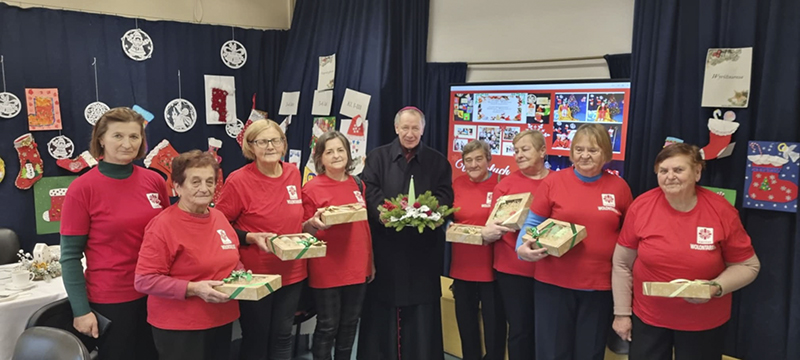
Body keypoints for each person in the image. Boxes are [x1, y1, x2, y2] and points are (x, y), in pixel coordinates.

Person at [611, 143, 760, 360]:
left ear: (697, 172)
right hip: (650, 319)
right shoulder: (641, 207)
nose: (670, 176)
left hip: (703, 322)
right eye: (663, 171)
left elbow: (749, 265)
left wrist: (715, 288)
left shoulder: (721, 211)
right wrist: (622, 314)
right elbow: (622, 264)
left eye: (679, 170)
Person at [516, 123, 633, 360]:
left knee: (589, 353)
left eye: (593, 150)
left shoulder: (619, 187)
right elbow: (532, 222)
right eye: (579, 149)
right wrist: (523, 247)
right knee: (552, 353)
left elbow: (628, 237)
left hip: (599, 287)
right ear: (571, 152)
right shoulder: (554, 182)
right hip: (553, 285)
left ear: (606, 154)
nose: (585, 155)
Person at [60, 107, 167, 360]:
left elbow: (168, 236)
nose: (127, 144)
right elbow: (70, 256)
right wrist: (80, 311)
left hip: (157, 294)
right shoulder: (82, 188)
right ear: (101, 140)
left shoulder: (155, 181)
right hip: (112, 300)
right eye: (118, 136)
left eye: (134, 136)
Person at [216, 119, 328, 360]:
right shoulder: (238, 180)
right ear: (250, 147)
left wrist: (310, 224)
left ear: (283, 144)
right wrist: (249, 237)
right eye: (262, 141)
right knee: (256, 339)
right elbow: (218, 227)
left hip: (292, 272)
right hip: (256, 275)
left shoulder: (291, 172)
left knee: (282, 337)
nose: (270, 146)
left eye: (275, 140)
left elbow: (292, 223)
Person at [358, 106, 454, 360]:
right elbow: (370, 192)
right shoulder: (377, 158)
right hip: (387, 249)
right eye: (405, 127)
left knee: (423, 310)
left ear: (423, 130)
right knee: (382, 306)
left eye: (415, 128)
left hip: (423, 252)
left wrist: (431, 213)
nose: (410, 133)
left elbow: (445, 195)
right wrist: (387, 213)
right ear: (396, 128)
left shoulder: (437, 161)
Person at [135, 150, 241, 360]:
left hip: (221, 319)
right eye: (195, 182)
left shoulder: (219, 217)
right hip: (181, 327)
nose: (204, 188)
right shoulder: (163, 226)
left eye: (210, 181)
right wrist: (193, 289)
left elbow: (232, 259)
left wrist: (242, 275)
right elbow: (144, 280)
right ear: (177, 186)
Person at [302, 131, 374, 360]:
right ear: (320, 158)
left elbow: (365, 228)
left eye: (340, 150)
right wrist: (315, 224)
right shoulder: (311, 188)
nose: (336, 156)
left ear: (348, 153)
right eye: (329, 151)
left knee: (350, 325)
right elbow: (304, 231)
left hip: (357, 265)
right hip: (327, 266)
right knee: (327, 326)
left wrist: (370, 262)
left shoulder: (358, 184)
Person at [489, 129, 549, 360]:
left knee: (546, 330)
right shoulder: (506, 185)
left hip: (549, 271)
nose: (519, 155)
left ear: (542, 151)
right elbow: (493, 224)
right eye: (516, 151)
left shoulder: (558, 181)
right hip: (512, 270)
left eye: (525, 149)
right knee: (520, 330)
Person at [450, 140, 507, 360]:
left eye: (478, 159)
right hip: (461, 267)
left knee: (495, 327)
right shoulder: (457, 184)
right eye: (468, 160)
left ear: (489, 160)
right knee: (466, 325)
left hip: (491, 269)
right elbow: (447, 217)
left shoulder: (501, 184)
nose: (473, 164)